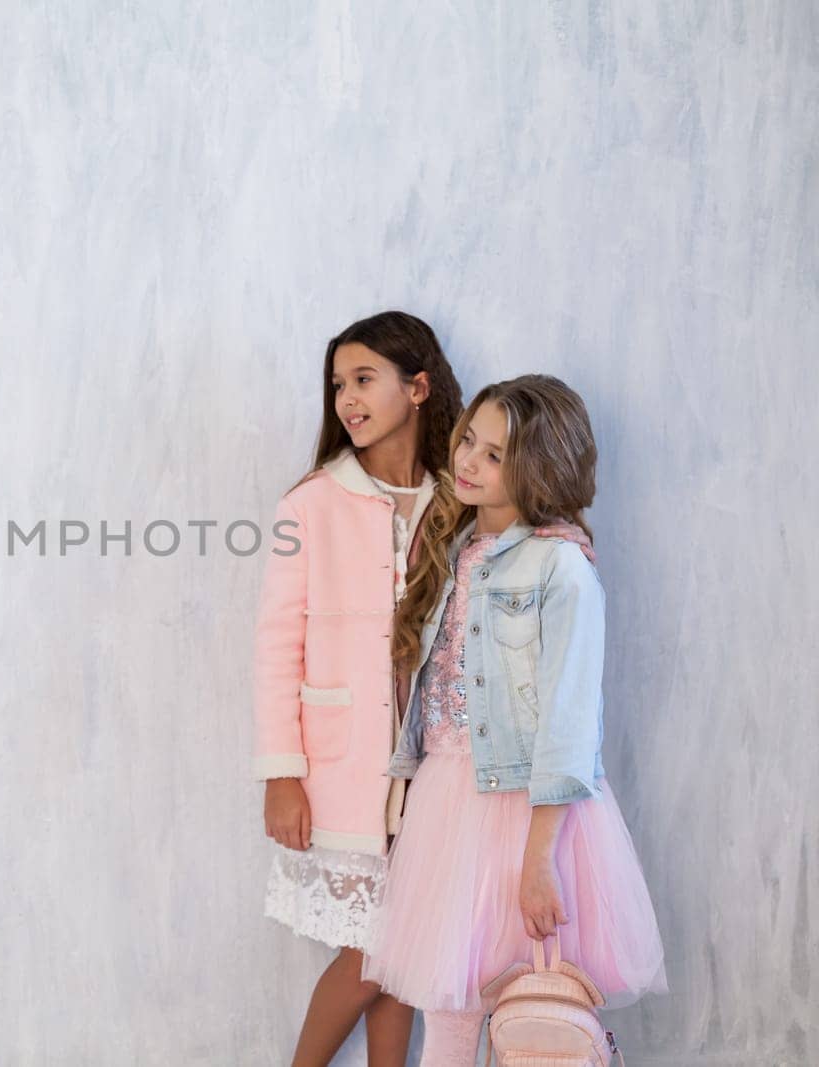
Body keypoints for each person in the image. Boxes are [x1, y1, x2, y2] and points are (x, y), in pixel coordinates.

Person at [252, 313, 593, 1066]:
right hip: (345, 770)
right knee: (375, 955)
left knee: (410, 956)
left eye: (364, 379)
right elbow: (277, 642)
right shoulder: (310, 503)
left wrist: (563, 531)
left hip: (434, 776)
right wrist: (282, 770)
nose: (346, 398)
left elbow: (522, 548)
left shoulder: (458, 496)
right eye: (337, 384)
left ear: (419, 386)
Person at [359, 375, 668, 1065]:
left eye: (493, 455)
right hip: (445, 804)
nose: (467, 460)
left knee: (528, 1013)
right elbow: (434, 696)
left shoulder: (561, 567)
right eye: (468, 439)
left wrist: (538, 862)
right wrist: (403, 794)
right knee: (448, 1006)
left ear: (539, 467)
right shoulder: (454, 549)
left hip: (525, 812)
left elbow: (569, 722)